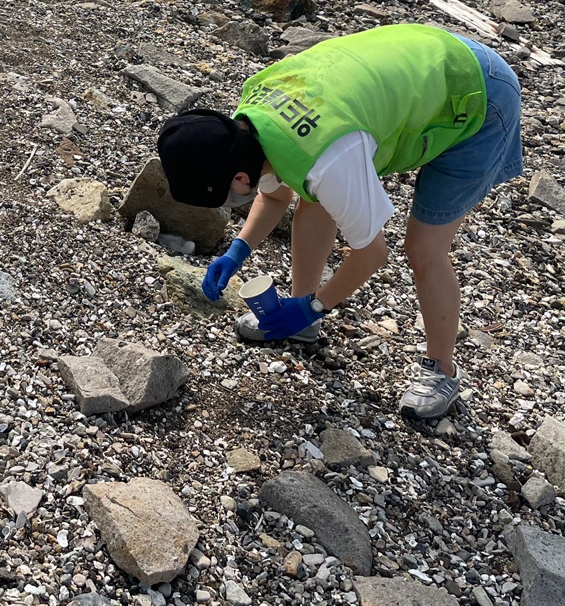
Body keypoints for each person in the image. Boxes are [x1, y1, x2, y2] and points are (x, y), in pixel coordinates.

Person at [155, 24, 523, 420]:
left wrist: (315, 307)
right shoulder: (246, 128)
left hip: (477, 95)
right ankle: (298, 320)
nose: (232, 203)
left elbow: (371, 254)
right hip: (421, 61)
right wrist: (237, 250)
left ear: (240, 178)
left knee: (424, 248)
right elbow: (275, 195)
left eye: (225, 198)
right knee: (316, 197)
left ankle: (442, 372)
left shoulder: (328, 158)